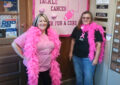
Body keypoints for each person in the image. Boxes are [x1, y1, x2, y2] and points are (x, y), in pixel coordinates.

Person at [12, 13, 61, 85]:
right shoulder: (30, 34)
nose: (43, 23)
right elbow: (14, 44)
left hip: (48, 66)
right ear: (36, 22)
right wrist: (24, 57)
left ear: (47, 23)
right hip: (34, 68)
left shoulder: (51, 34)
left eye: (44, 21)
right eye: (40, 21)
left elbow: (56, 47)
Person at [69, 11, 105, 85]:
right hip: (76, 57)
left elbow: (99, 45)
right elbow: (73, 41)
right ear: (81, 18)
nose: (85, 19)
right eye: (84, 18)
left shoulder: (96, 29)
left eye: (87, 18)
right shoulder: (77, 28)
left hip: (88, 59)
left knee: (88, 79)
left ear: (91, 19)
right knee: (79, 77)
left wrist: (96, 58)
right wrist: (70, 52)